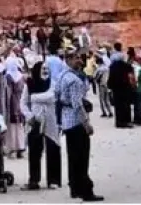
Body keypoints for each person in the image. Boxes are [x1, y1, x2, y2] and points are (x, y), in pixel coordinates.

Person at [55, 49, 101, 201]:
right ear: (68, 60)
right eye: (76, 58)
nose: (80, 61)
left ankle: (74, 188)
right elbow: (77, 105)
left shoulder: (62, 76)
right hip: (76, 122)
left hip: (67, 121)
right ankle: (85, 190)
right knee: (82, 158)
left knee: (73, 157)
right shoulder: (74, 80)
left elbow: (57, 96)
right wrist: (86, 123)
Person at [21, 60, 60, 190]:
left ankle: (53, 180)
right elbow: (23, 103)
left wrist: (34, 97)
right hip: (35, 120)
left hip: (50, 120)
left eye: (47, 69)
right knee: (34, 151)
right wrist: (29, 116)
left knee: (53, 148)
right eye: (43, 69)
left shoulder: (52, 83)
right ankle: (34, 180)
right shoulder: (29, 85)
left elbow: (52, 97)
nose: (45, 71)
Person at [2, 54, 28, 156]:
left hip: (11, 104)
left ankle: (11, 147)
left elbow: (6, 93)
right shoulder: (21, 77)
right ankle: (20, 147)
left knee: (11, 127)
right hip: (20, 102)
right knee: (20, 126)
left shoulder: (7, 77)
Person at [106, 45, 133, 129]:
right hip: (125, 87)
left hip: (116, 88)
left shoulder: (112, 66)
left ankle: (119, 122)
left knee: (118, 106)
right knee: (126, 105)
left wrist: (109, 86)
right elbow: (131, 72)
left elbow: (110, 77)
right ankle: (126, 121)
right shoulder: (126, 65)